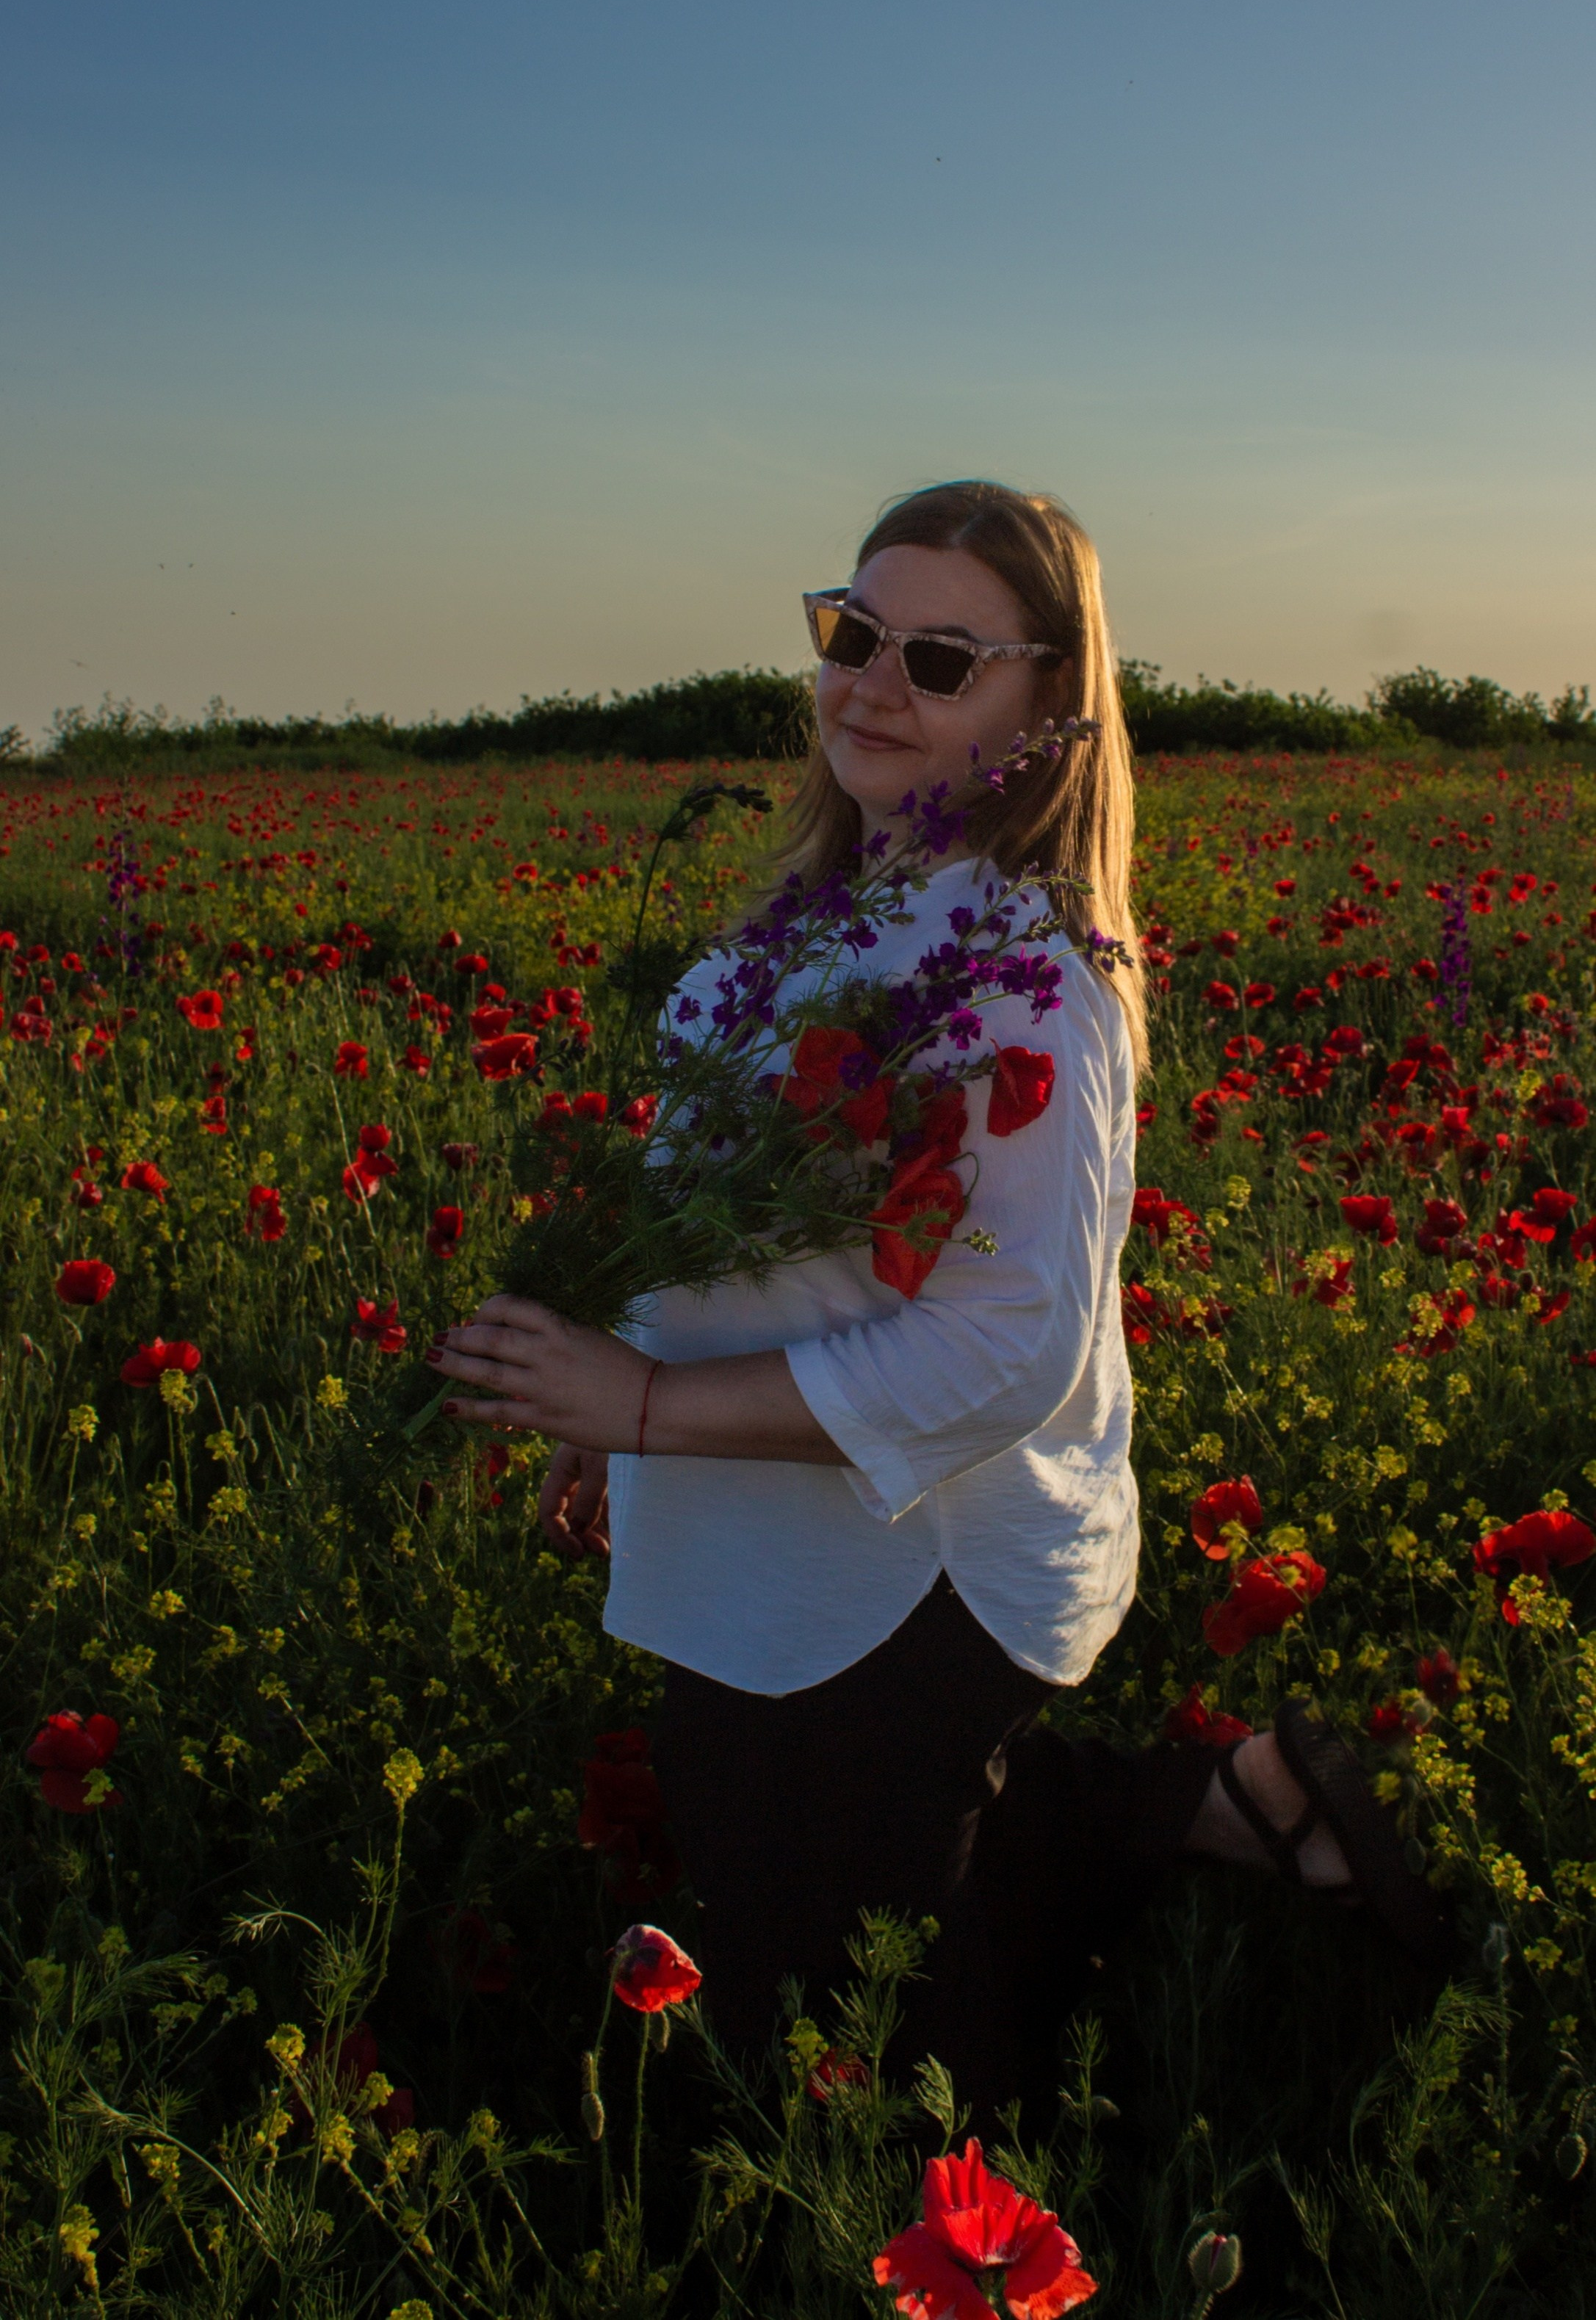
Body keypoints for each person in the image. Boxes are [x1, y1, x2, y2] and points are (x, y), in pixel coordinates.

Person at [425, 480, 1448, 2119]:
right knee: (851, 1860)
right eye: (854, 632)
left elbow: (1003, 1351)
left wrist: (644, 1411)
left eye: (942, 656)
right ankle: (1234, 1806)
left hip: (899, 1566)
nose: (870, 682)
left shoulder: (1033, 978)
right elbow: (726, 1224)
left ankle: (967, 2243)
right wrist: (626, 1404)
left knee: (846, 2003)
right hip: (757, 1512)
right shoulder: (815, 908)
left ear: (1053, 701)